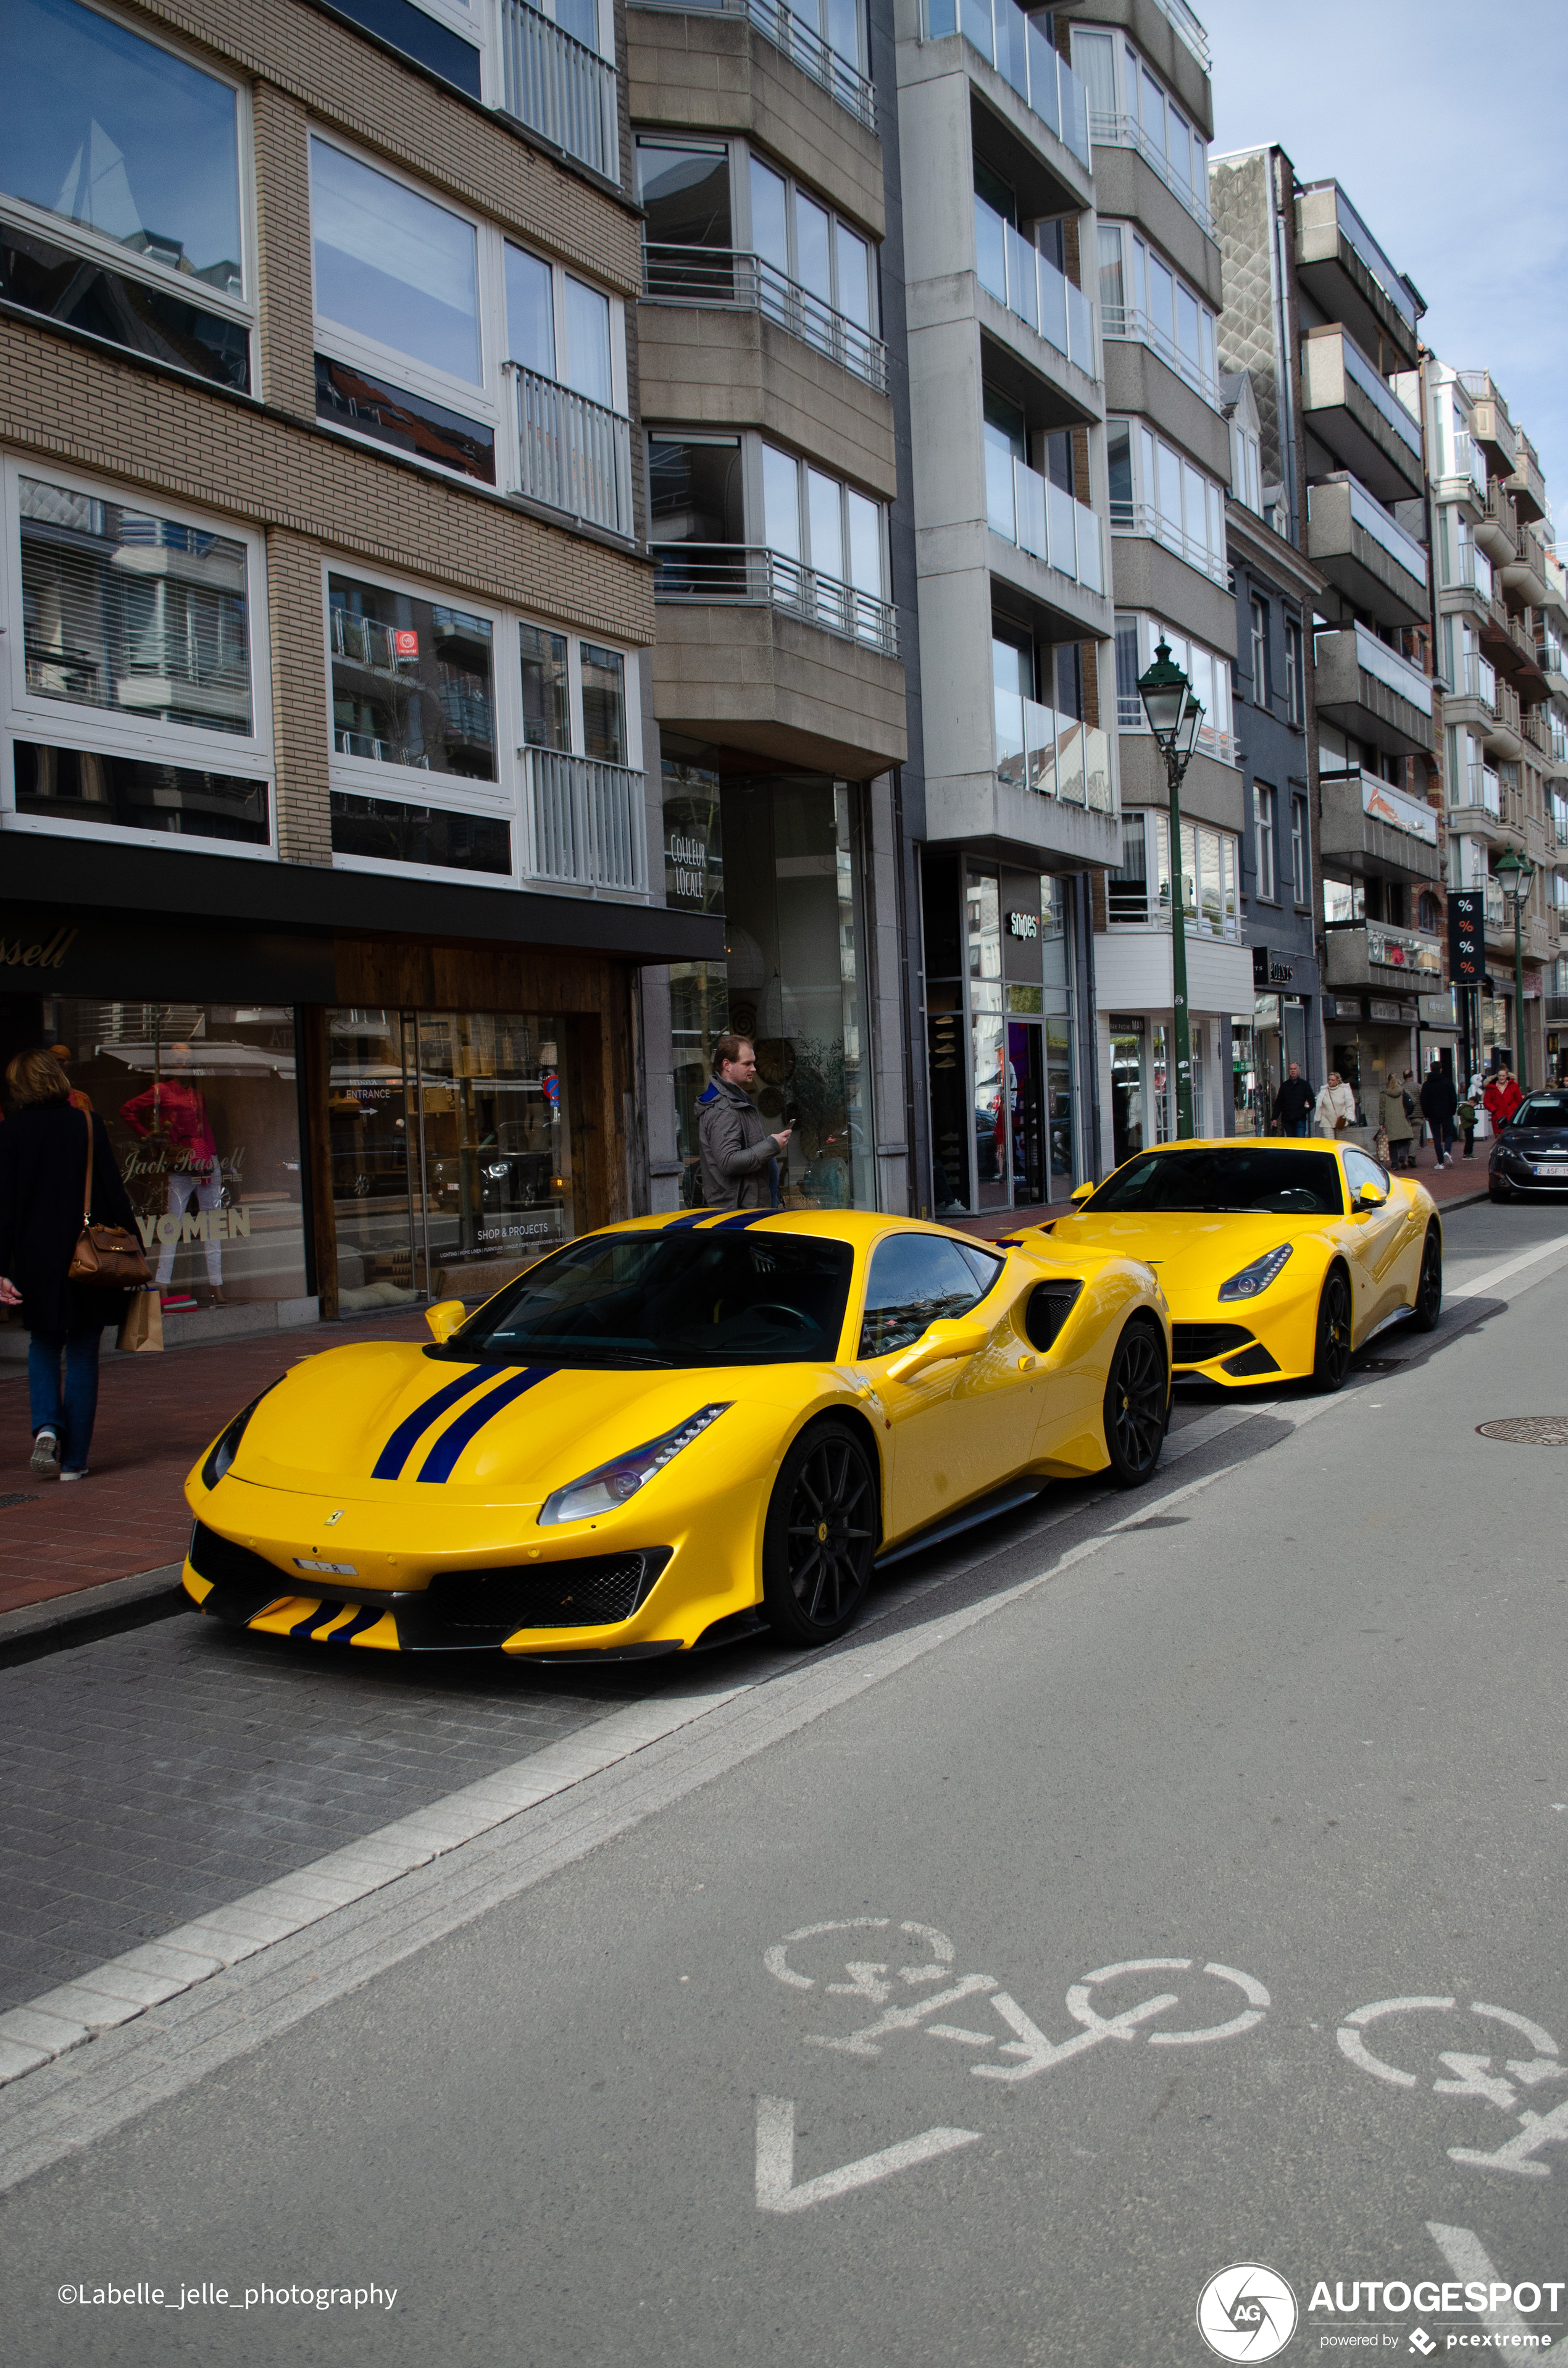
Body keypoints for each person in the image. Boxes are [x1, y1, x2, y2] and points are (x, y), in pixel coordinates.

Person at [0, 1048, 137, 1481]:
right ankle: (74, 1462)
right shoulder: (88, 1124)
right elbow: (115, 1193)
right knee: (82, 1349)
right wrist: (135, 1251)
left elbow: (3, 1207)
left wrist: (1, 1267)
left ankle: (46, 1426)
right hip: (89, 1254)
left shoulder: (11, 1132)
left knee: (43, 1343)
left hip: (35, 1256)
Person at [120, 1043, 228, 1307]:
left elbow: (207, 1128)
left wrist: (213, 1159)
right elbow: (128, 1109)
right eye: (179, 1058)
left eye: (188, 1058)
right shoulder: (162, 1091)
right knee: (172, 1226)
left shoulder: (198, 1094)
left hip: (206, 1161)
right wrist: (150, 1138)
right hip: (181, 1163)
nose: (184, 1062)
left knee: (212, 1225)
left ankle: (218, 1286)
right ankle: (163, 1286)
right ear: (170, 1061)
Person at [696, 1034, 792, 1211]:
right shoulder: (724, 1108)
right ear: (727, 1065)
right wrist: (772, 1146)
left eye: (753, 1063)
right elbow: (728, 1162)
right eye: (747, 1064)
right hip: (740, 1212)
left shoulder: (738, 1098)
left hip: (749, 1207)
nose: (754, 1069)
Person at [1419, 1060, 1458, 1168]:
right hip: (1447, 1113)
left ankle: (1440, 1162)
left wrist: (1426, 1114)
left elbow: (1423, 1101)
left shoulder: (1426, 1085)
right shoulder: (1448, 1082)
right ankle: (1447, 1152)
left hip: (1432, 1115)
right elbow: (1453, 1098)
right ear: (1441, 1069)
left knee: (1436, 1137)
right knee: (1449, 1134)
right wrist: (1452, 1111)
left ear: (1431, 1069)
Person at [1381, 1069, 1416, 1169]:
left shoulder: (1384, 1094)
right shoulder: (1403, 1091)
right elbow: (1413, 1101)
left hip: (1390, 1121)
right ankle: (1403, 1156)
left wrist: (1381, 1123)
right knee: (1403, 1140)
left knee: (1392, 1143)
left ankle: (1395, 1164)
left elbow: (1382, 1110)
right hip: (1402, 1119)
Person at [1272, 1061, 1315, 1137]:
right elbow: (1279, 1103)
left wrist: (1302, 1112)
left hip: (1300, 1120)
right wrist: (1274, 1118)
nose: (1293, 1071)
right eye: (1291, 1069)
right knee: (1290, 1142)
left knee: (1300, 1142)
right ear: (1288, 1071)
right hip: (1287, 1120)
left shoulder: (1305, 1085)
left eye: (1295, 1069)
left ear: (1298, 1071)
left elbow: (1312, 1102)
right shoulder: (1284, 1086)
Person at [1315, 1071, 1356, 1137]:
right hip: (1327, 1121)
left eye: (1333, 1080)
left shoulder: (1344, 1091)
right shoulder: (1323, 1091)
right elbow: (1318, 1101)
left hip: (1340, 1121)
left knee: (1339, 1143)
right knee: (1330, 1143)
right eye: (1329, 1080)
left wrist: (1348, 1117)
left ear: (1338, 1081)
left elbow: (1350, 1104)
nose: (1330, 1081)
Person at [1483, 1066, 1523, 1136]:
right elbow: (1486, 1102)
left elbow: (1519, 1100)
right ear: (1497, 1076)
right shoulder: (1491, 1088)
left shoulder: (1514, 1086)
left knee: (1512, 1137)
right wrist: (1494, 1110)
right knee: (1499, 1139)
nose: (1501, 1078)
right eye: (1500, 1076)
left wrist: (1517, 1113)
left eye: (1503, 1076)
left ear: (1507, 1076)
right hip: (1498, 1117)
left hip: (1511, 1115)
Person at [1455, 1089, 1478, 1160]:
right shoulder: (1467, 1109)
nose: (1474, 1106)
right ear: (1472, 1102)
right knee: (1469, 1140)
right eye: (1474, 1104)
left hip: (1467, 1125)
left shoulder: (1464, 1108)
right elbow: (1468, 1117)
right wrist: (1475, 1120)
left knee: (1470, 1140)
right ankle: (1466, 1154)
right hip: (1468, 1125)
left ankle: (1469, 1153)